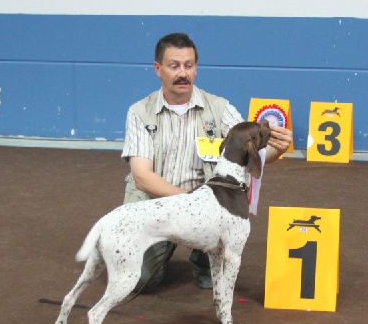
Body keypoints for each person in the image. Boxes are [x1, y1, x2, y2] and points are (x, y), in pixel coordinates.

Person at [121, 33, 292, 291]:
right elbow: (142, 177)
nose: (183, 73)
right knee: (140, 282)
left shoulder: (220, 109)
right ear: (158, 69)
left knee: (216, 272)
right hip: (155, 205)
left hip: (205, 209)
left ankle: (203, 262)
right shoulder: (139, 112)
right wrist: (190, 202)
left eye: (189, 65)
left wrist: (279, 150)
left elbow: (249, 153)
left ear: (196, 68)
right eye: (174, 65)